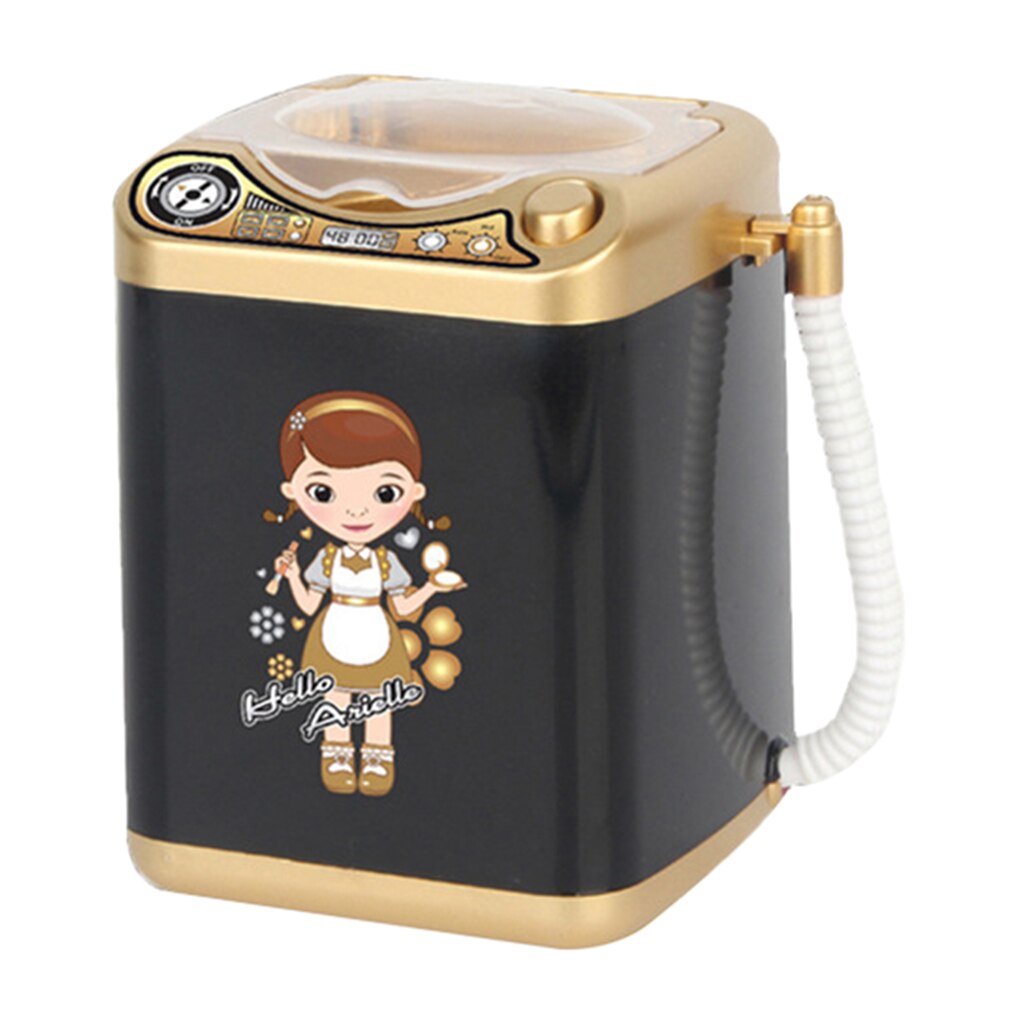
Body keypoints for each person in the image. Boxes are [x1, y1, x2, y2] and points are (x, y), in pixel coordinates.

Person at [265, 390, 464, 797]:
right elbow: (308, 604)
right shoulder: (325, 558)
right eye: (324, 493)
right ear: (292, 492)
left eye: (384, 493)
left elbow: (402, 606)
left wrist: (431, 587)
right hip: (332, 633)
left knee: (381, 703)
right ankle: (336, 757)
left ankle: (377, 760)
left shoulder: (387, 562)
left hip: (378, 636)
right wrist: (292, 576)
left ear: (415, 493)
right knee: (334, 698)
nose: (356, 512)